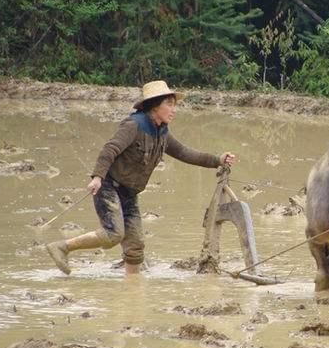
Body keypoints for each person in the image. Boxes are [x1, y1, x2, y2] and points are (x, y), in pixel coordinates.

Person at [46, 80, 235, 275]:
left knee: (135, 248)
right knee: (114, 234)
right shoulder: (134, 125)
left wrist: (217, 160)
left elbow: (184, 152)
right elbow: (110, 149)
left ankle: (132, 290)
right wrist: (97, 177)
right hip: (109, 186)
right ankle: (62, 247)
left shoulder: (161, 132)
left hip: (129, 193)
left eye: (174, 105)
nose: (174, 110)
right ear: (154, 105)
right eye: (169, 104)